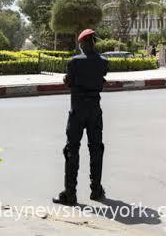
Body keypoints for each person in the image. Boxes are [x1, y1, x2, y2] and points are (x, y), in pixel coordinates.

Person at [53, 29, 109, 206]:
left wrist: (66, 80)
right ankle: (96, 189)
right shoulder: (103, 62)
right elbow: (101, 81)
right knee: (96, 149)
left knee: (72, 150)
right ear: (93, 42)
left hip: (77, 110)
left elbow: (69, 81)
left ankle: (70, 193)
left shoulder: (74, 62)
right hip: (94, 110)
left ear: (82, 43)